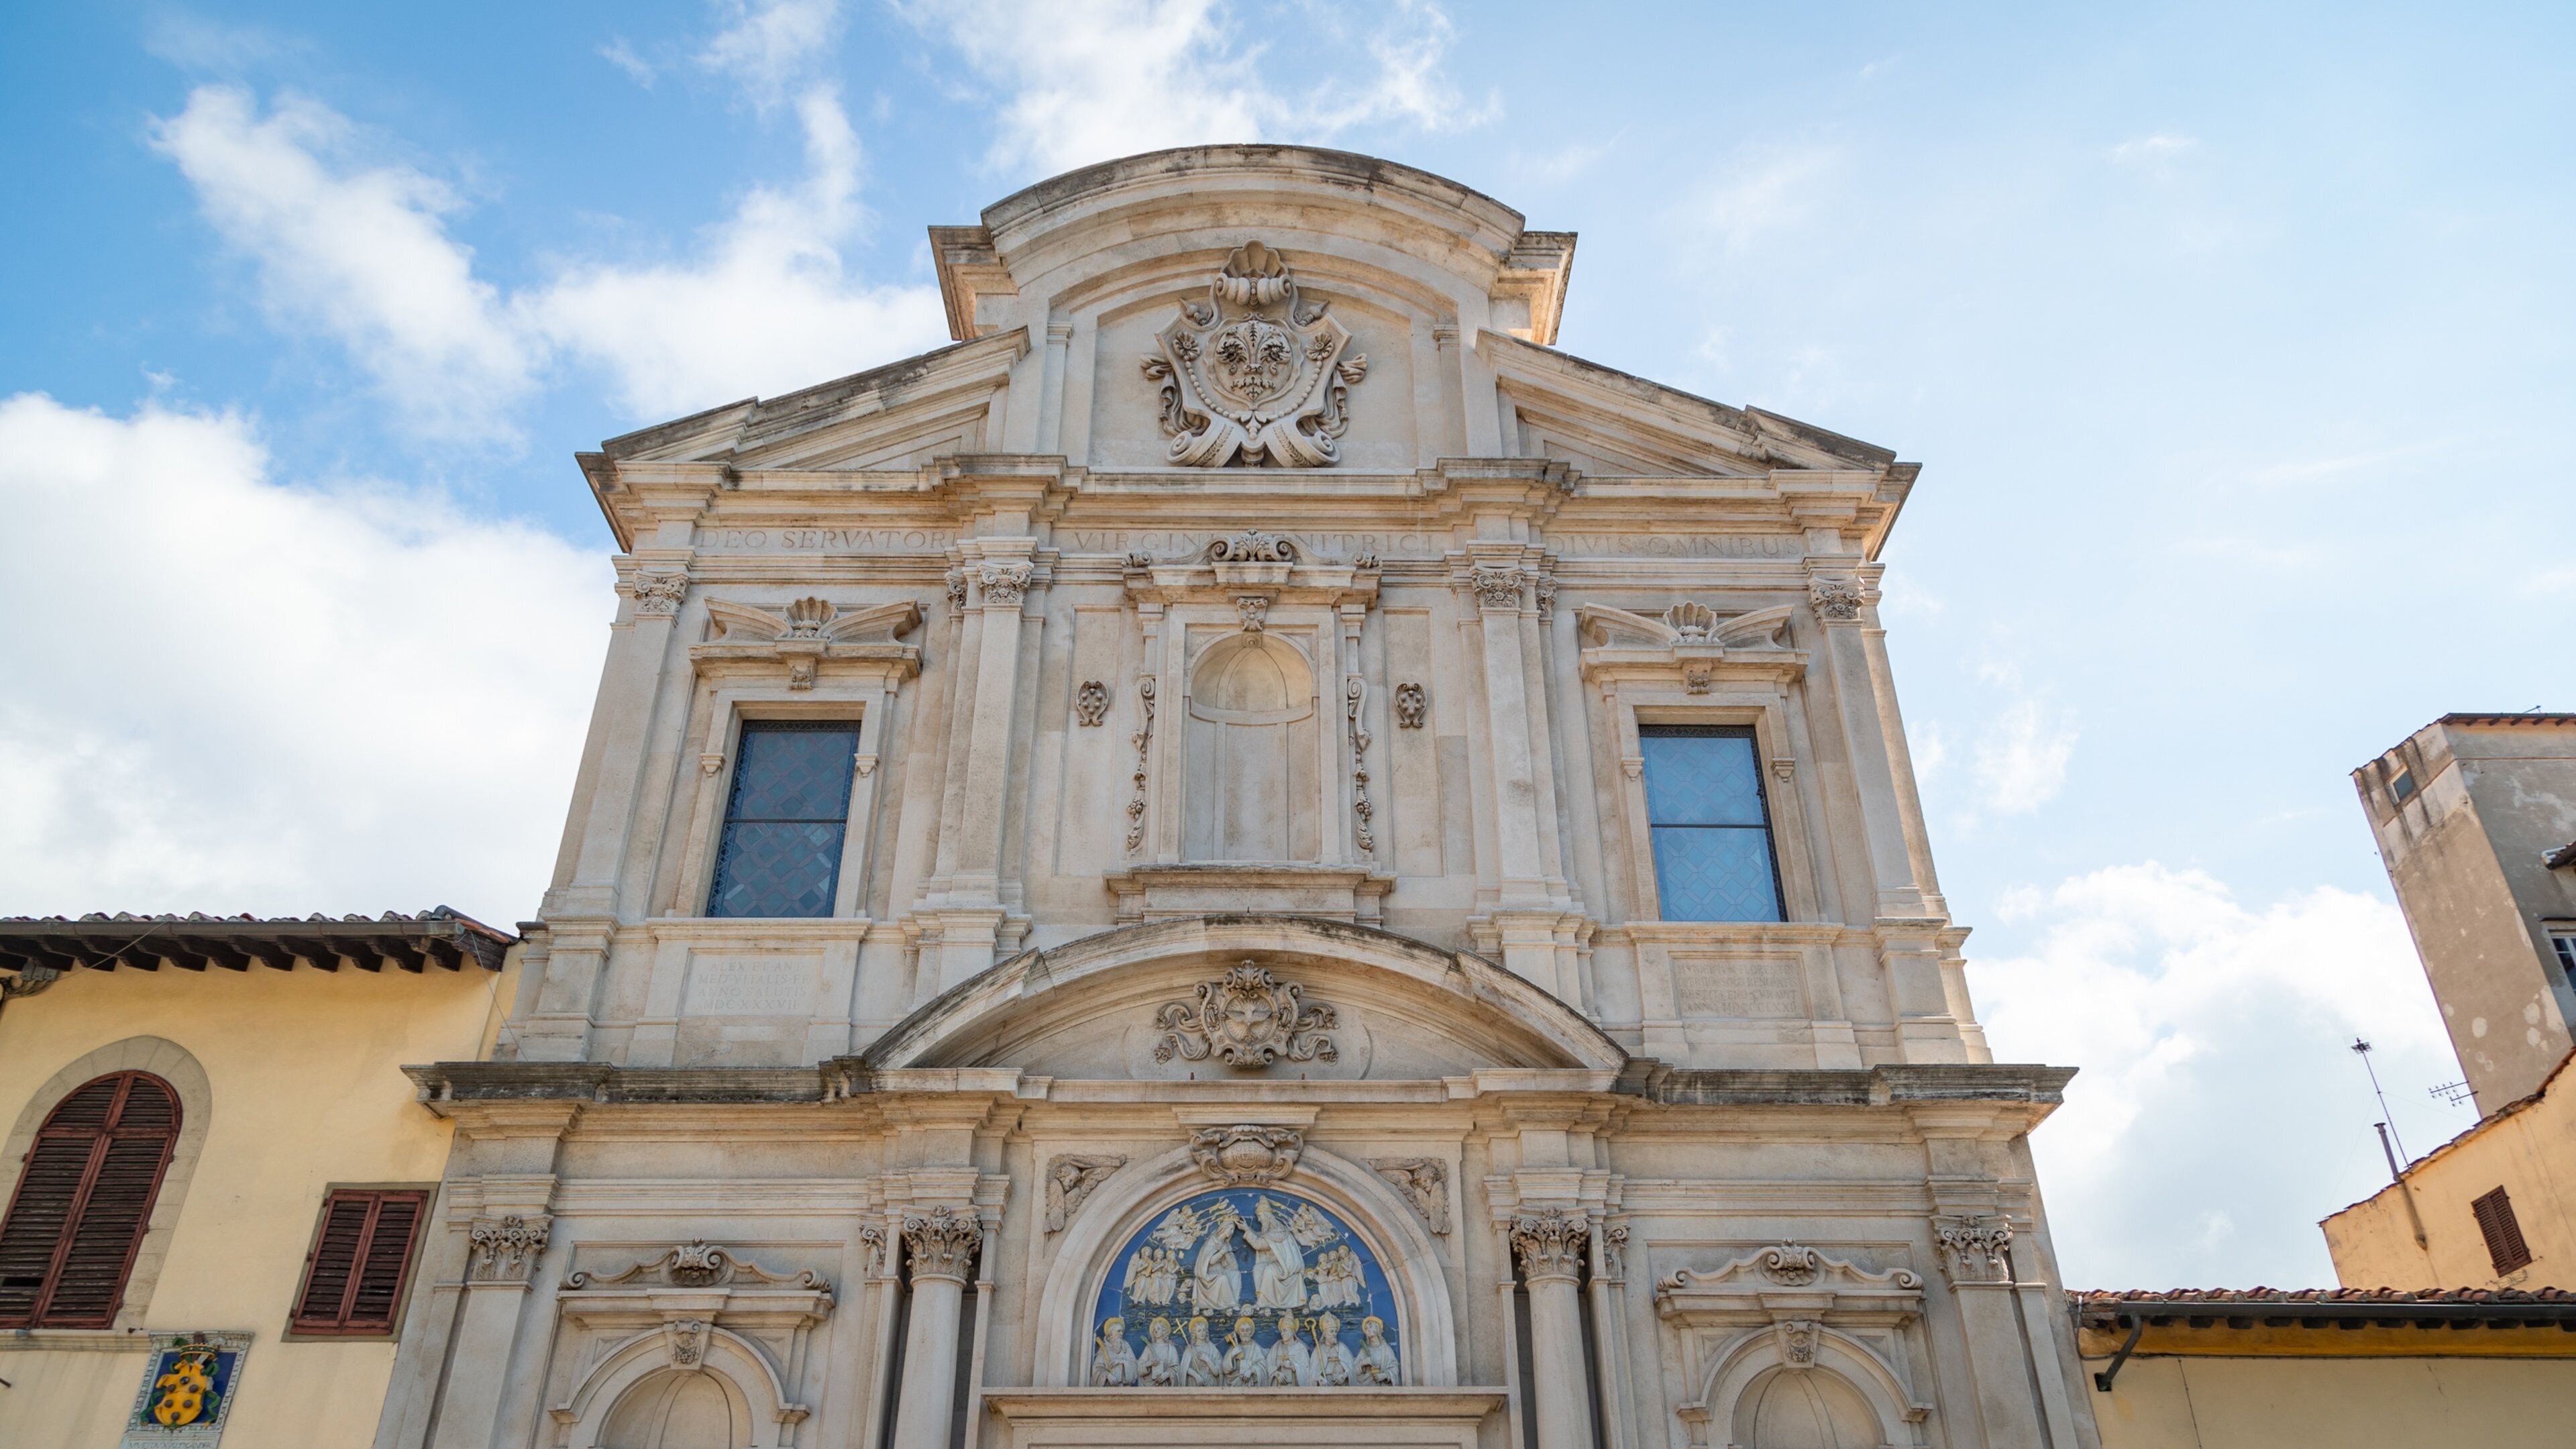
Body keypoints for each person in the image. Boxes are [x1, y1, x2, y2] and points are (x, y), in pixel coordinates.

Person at [1246, 1197, 1311, 1310]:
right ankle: (1263, 1300)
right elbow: (1261, 1237)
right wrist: (1247, 1229)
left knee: (1269, 1270)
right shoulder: (1272, 1232)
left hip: (1287, 1268)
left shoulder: (1278, 1231)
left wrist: (1246, 1230)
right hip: (1280, 1264)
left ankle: (1264, 1303)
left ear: (1267, 1216)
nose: (1259, 1220)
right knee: (1258, 1268)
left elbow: (1259, 1244)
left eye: (1260, 1217)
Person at [1311, 1312, 1356, 1386]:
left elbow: (1351, 1368)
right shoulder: (1319, 1350)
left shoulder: (1342, 1348)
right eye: (1331, 1331)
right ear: (1325, 1334)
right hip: (1326, 1384)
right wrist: (1320, 1379)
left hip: (1341, 1384)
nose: (1334, 1334)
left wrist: (1344, 1375)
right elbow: (1313, 1372)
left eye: (1335, 1331)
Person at [1091, 1318, 1138, 1387]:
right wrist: (1108, 1375)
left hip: (1124, 1388)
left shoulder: (1126, 1346)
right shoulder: (1104, 1349)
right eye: (1118, 1331)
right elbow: (1097, 1369)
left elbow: (1134, 1365)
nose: (1121, 1334)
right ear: (1111, 1333)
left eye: (1122, 1331)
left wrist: (1121, 1362)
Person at [1222, 1315, 1269, 1385]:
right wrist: (1232, 1355)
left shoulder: (1255, 1348)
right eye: (1242, 1330)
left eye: (1247, 1330)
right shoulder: (1234, 1348)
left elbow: (1262, 1366)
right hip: (1235, 1384)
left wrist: (1251, 1371)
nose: (1245, 1333)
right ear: (1239, 1332)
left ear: (1251, 1332)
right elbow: (1225, 1369)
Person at [1269, 1315, 1313, 1386]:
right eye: (1281, 1331)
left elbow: (1307, 1369)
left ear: (1292, 1332)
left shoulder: (1301, 1348)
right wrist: (1276, 1373)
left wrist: (1294, 1366)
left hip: (1294, 1385)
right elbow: (1268, 1363)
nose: (1282, 1334)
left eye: (1285, 1330)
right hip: (1277, 1385)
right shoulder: (1276, 1347)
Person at [1181, 1316, 1224, 1386]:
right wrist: (1196, 1376)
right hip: (1195, 1384)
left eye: (1204, 1330)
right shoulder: (1190, 1349)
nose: (1202, 1333)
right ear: (1194, 1333)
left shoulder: (1212, 1348)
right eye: (1199, 1331)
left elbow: (1217, 1373)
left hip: (1210, 1384)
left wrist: (1207, 1360)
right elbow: (1184, 1368)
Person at [1138, 1317, 1180, 1386]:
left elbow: (1177, 1369)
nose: (1156, 1331)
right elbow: (1139, 1367)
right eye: (1154, 1330)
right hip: (1150, 1386)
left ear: (1164, 1331)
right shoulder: (1149, 1348)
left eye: (1158, 1329)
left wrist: (1168, 1374)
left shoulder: (1171, 1349)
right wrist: (1148, 1364)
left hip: (1166, 1386)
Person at [1356, 1316, 1398, 1385]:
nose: (1368, 1330)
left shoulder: (1386, 1350)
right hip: (1367, 1386)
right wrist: (1363, 1363)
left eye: (1371, 1326)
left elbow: (1394, 1368)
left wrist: (1385, 1375)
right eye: (1366, 1328)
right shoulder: (1364, 1351)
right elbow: (1353, 1372)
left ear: (1377, 1328)